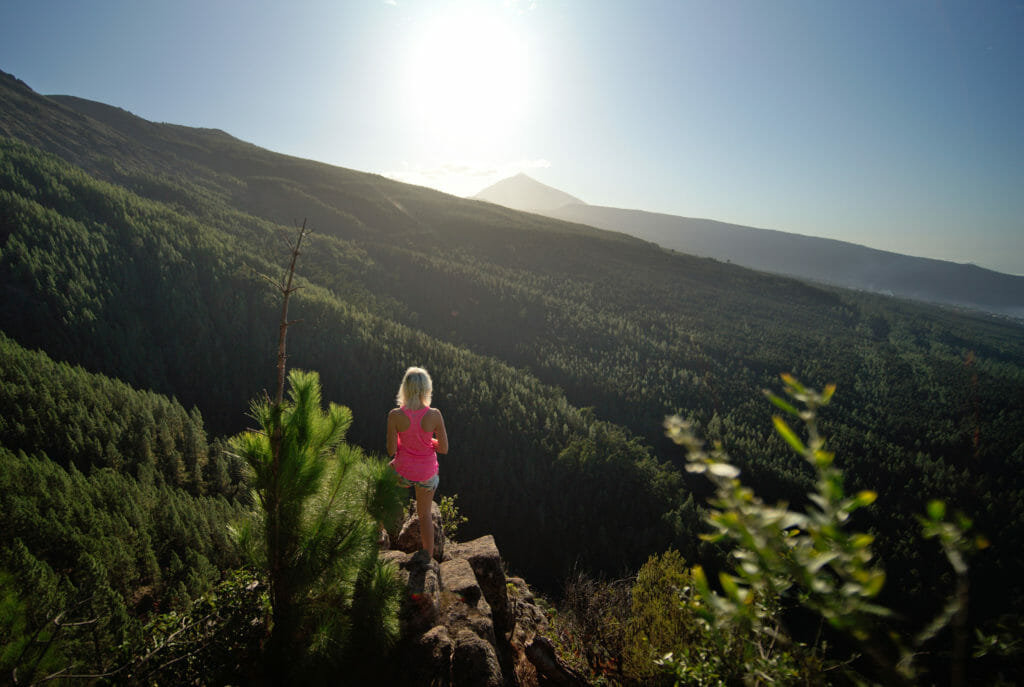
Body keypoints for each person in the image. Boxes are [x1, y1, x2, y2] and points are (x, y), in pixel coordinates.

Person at [387, 366, 448, 558]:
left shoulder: (395, 415)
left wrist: (404, 439)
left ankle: (377, 534)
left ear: (405, 388)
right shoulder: (435, 415)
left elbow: (391, 451)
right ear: (426, 389)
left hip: (402, 473)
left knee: (382, 486)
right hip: (427, 475)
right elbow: (444, 449)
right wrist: (428, 440)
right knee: (424, 515)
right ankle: (427, 558)